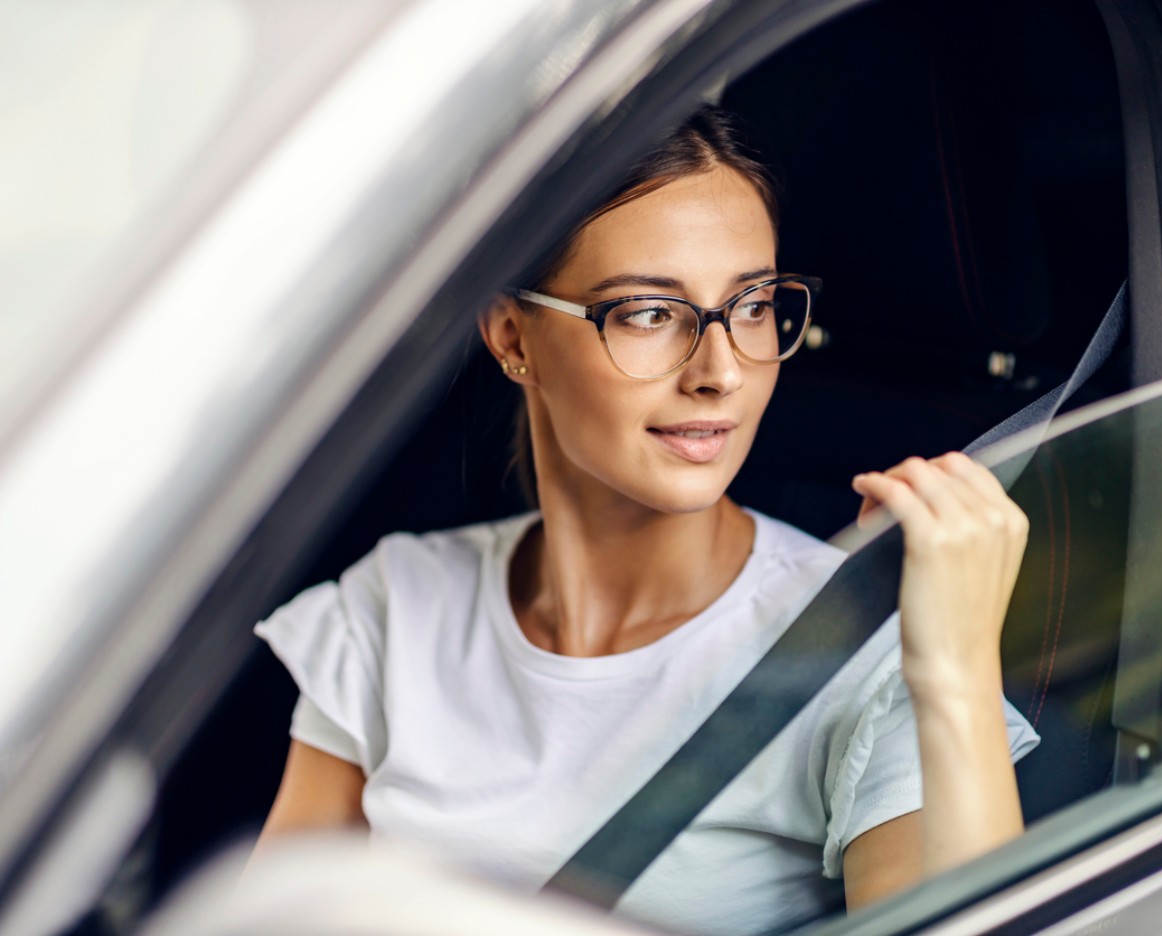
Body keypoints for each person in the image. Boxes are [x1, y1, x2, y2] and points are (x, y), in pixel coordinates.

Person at [252, 106, 1038, 935]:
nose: (721, 371)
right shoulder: (395, 607)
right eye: (648, 313)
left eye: (753, 305)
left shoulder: (874, 653)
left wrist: (954, 673)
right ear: (513, 336)